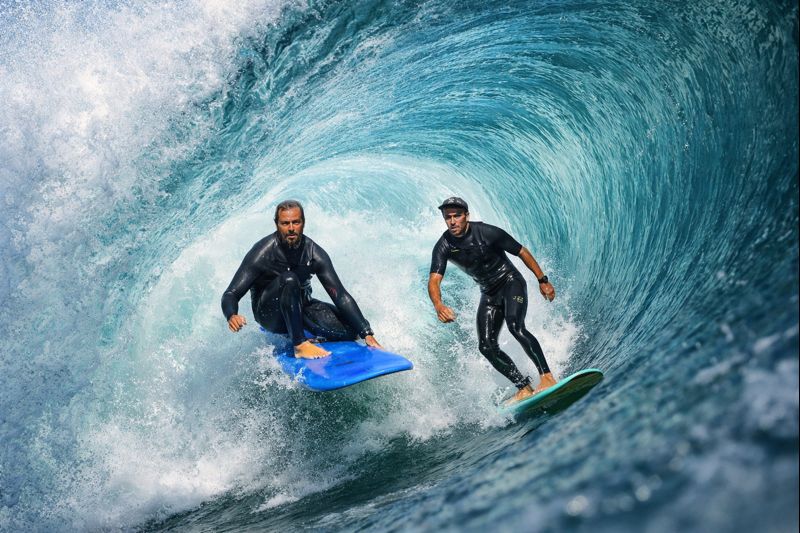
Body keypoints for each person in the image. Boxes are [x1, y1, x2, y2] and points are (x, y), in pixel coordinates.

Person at [427, 196, 557, 404]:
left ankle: (547, 377)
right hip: (488, 293)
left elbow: (521, 251)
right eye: (447, 217)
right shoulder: (444, 245)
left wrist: (542, 280)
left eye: (457, 216)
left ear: (466, 216)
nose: (452, 221)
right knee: (486, 346)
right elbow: (434, 280)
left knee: (516, 327)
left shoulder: (486, 232)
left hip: (510, 282)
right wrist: (438, 305)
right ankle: (523, 387)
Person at [222, 200, 381, 358]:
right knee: (290, 279)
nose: (291, 228)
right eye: (285, 223)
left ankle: (311, 335)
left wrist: (366, 332)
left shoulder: (313, 253)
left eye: (295, 222)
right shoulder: (262, 253)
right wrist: (232, 315)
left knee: (352, 330)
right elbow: (231, 293)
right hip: (270, 315)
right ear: (276, 224)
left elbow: (339, 294)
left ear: (303, 223)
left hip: (301, 308)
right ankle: (300, 345)